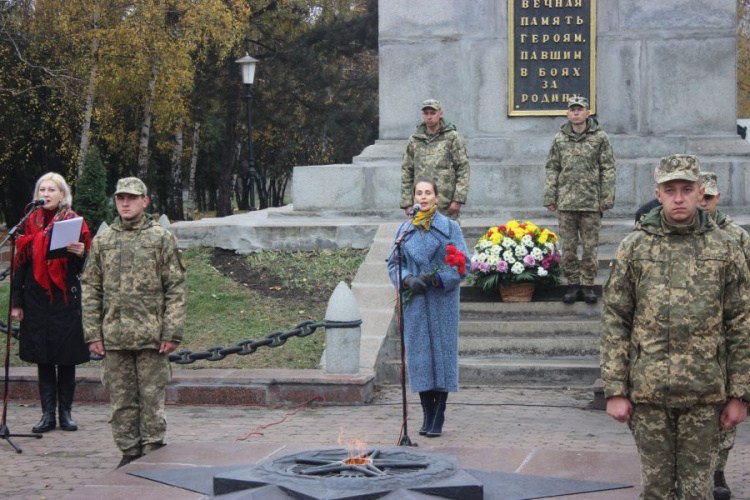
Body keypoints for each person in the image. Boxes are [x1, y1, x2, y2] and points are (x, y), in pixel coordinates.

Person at [601, 154, 750, 499]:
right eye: (671, 190)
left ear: (701, 193)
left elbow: (741, 323)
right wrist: (616, 390)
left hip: (704, 393)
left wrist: (740, 394)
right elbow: (616, 320)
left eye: (687, 189)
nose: (679, 198)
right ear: (658, 193)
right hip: (649, 393)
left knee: (698, 491)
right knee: (656, 490)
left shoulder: (725, 248)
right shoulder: (635, 247)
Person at [81, 177, 186, 468]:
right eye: (120, 198)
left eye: (131, 198)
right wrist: (93, 333)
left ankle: (153, 452)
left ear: (145, 201)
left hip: (152, 336)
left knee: (151, 398)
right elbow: (91, 289)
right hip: (114, 337)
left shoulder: (160, 238)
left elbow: (175, 287)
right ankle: (128, 453)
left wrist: (172, 331)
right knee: (122, 402)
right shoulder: (104, 240)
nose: (125, 203)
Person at [10, 173, 92, 433]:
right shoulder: (28, 222)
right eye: (41, 190)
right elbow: (19, 266)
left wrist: (81, 254)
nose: (45, 194)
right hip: (35, 299)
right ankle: (47, 415)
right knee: (43, 357)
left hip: (64, 297)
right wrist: (17, 302)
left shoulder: (73, 221)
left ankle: (66, 413)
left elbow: (87, 266)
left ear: (62, 195)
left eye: (51, 190)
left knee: (65, 357)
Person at [387, 179, 469, 438]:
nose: (423, 197)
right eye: (419, 193)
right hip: (417, 301)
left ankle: (439, 414)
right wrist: (408, 279)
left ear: (437, 197)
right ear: (414, 198)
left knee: (442, 356)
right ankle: (426, 412)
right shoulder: (405, 229)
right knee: (421, 358)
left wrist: (436, 278)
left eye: (428, 193)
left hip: (441, 300)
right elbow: (394, 262)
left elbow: (462, 263)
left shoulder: (450, 228)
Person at [699, 171, 750, 500]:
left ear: (718, 198)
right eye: (699, 196)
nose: (703, 203)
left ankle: (717, 473)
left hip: (725, 335)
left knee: (724, 414)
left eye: (709, 198)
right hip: (689, 339)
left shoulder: (736, 237)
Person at [543, 95, 616, 304]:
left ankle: (588, 285)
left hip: (591, 202)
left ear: (587, 113)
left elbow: (608, 168)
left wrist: (607, 197)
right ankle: (573, 285)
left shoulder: (600, 137)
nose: (576, 113)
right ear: (568, 113)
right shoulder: (559, 139)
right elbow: (552, 167)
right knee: (568, 248)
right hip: (566, 202)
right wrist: (550, 195)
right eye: (572, 109)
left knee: (590, 247)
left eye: (580, 109)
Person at [400, 99, 470, 221]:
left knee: (447, 237)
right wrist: (407, 202)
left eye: (432, 113)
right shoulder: (414, 140)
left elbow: (463, 168)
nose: (429, 117)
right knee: (421, 237)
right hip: (421, 204)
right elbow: (407, 171)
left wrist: (458, 199)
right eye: (426, 113)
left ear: (440, 114)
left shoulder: (452, 137)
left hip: (446, 204)